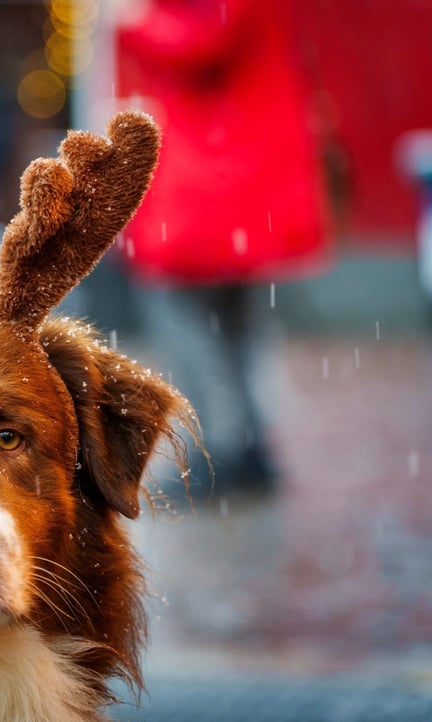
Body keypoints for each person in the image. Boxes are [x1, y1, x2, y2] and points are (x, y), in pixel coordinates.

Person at [115, 0, 331, 499]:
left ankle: (223, 443)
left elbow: (199, 40)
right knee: (235, 311)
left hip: (213, 170)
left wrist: (133, 23)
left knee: (178, 299)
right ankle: (248, 438)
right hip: (245, 168)